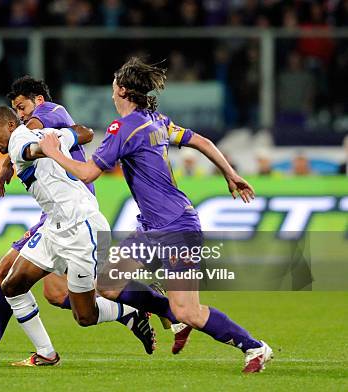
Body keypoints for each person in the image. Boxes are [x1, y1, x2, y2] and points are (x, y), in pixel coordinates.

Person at [39, 57, 273, 373]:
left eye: (113, 83)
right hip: (151, 227)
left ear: (120, 89)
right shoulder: (156, 120)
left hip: (177, 228)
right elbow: (200, 140)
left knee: (189, 311)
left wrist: (54, 153)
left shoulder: (123, 128)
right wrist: (229, 173)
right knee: (108, 284)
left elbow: (88, 173)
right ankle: (172, 313)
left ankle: (254, 347)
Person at [0, 77, 156, 366]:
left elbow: (22, 135)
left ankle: (145, 302)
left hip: (75, 215)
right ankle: (42, 352)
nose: (21, 114)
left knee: (15, 278)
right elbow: (10, 128)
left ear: (38, 101)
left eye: (22, 107)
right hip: (55, 218)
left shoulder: (49, 114)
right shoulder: (29, 127)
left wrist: (13, 158)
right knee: (51, 293)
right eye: (16, 110)